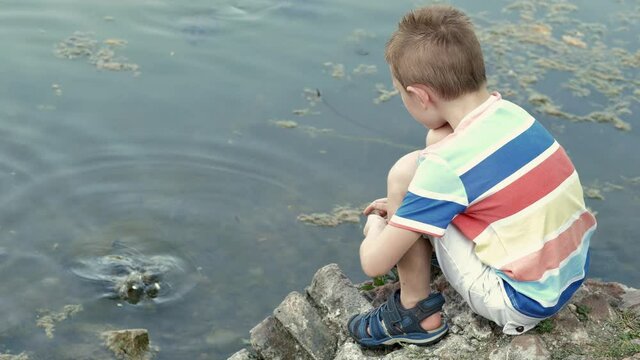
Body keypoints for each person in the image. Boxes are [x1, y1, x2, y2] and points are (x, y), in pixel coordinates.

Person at [347, 5, 597, 348]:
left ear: (420, 95)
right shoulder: (513, 115)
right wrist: (414, 204)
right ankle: (416, 220)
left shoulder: (446, 166)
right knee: (429, 158)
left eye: (401, 94)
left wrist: (382, 225)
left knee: (404, 173)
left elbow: (374, 263)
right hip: (568, 274)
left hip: (519, 301)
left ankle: (415, 314)